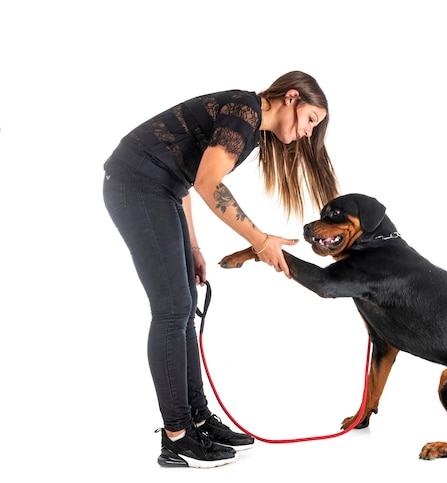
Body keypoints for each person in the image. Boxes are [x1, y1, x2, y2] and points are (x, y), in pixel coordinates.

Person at [102, 71, 340, 468]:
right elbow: (210, 183)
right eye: (311, 120)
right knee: (172, 309)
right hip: (136, 184)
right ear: (292, 97)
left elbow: (187, 177)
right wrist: (261, 241)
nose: (307, 134)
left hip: (159, 189)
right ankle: (176, 436)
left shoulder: (246, 121)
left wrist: (193, 245)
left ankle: (197, 417)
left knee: (185, 304)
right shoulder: (245, 111)